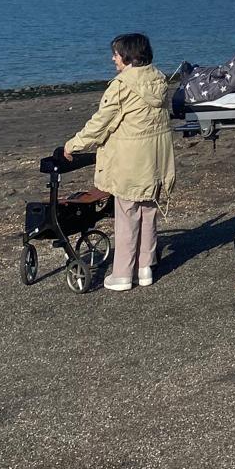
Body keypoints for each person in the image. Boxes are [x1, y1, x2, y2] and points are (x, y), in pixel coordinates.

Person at [65, 33, 176, 293]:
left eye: (116, 53)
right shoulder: (158, 80)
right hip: (157, 158)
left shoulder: (122, 85)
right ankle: (145, 267)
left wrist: (72, 145)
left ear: (128, 56)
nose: (113, 58)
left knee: (127, 215)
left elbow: (100, 123)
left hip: (130, 160)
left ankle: (123, 273)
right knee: (148, 209)